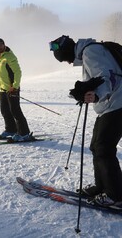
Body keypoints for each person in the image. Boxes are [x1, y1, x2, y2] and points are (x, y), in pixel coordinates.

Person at [50, 35, 122, 208]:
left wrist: (96, 94)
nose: (67, 63)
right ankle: (102, 186)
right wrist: (85, 91)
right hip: (110, 105)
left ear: (67, 51)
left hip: (117, 104)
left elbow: (109, 76)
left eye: (65, 60)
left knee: (104, 148)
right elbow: (98, 78)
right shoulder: (89, 51)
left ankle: (116, 196)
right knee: (97, 146)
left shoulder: (91, 51)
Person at [0, 38, 33, 142]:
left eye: (0, 45)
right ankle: (11, 130)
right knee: (5, 110)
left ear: (4, 45)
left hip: (12, 88)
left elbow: (18, 72)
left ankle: (24, 133)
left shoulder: (9, 56)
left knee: (15, 110)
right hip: (2, 89)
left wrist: (14, 86)